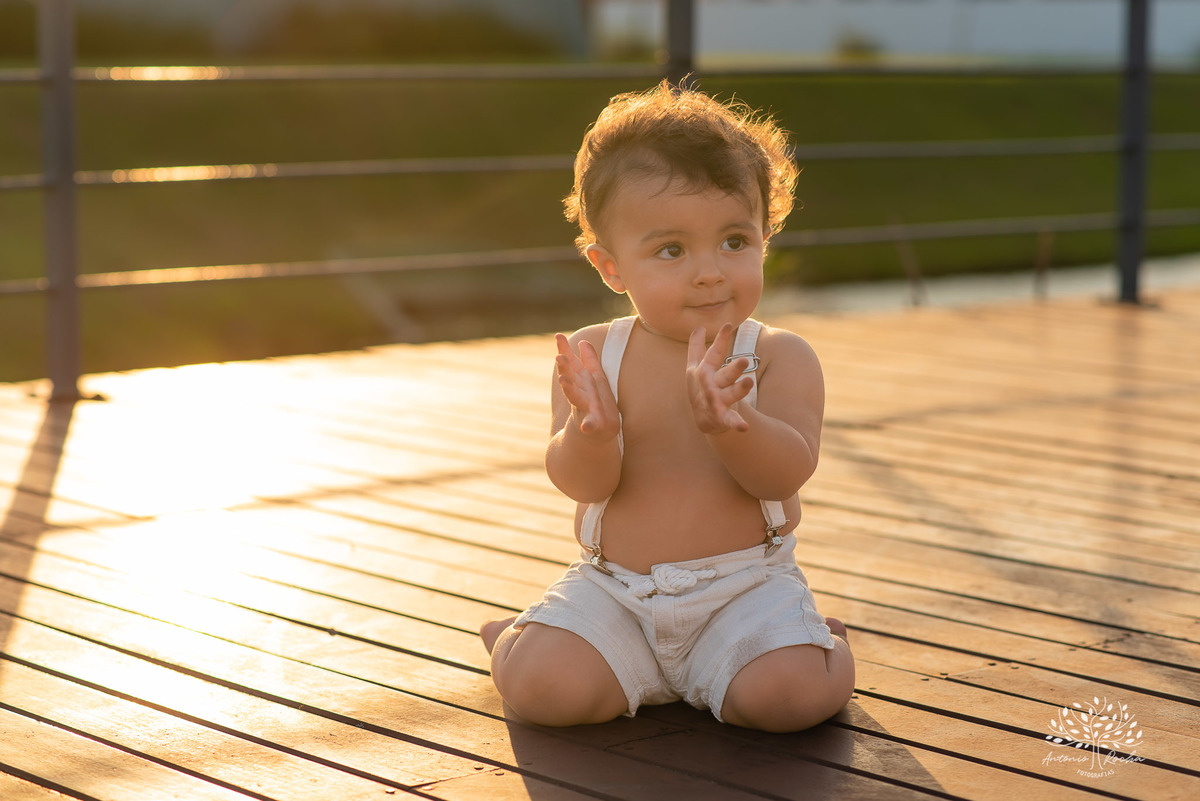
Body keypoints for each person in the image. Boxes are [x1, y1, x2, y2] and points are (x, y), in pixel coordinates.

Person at [480, 80, 854, 733]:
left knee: (787, 697)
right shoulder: (597, 356)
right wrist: (592, 433)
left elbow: (784, 474)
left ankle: (825, 643)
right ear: (611, 266)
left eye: (734, 241)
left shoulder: (778, 356)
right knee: (544, 687)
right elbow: (581, 482)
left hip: (745, 591)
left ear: (766, 234)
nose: (710, 271)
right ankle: (515, 637)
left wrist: (732, 427)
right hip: (616, 590)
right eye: (672, 250)